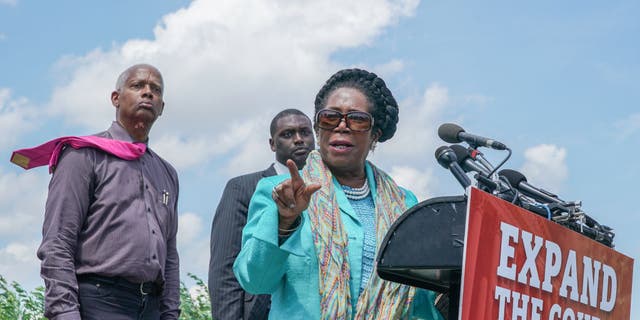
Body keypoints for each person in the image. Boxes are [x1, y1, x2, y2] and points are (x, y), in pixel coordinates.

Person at [233, 68, 444, 319]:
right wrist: (285, 222)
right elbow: (254, 281)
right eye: (330, 118)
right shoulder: (279, 192)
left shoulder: (405, 204)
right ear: (318, 128)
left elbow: (419, 300)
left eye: (357, 119)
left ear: (375, 135)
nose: (341, 127)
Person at [37, 64, 180, 319]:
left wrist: (170, 314)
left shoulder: (167, 173)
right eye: (137, 86)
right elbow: (58, 240)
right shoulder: (83, 155)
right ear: (116, 98)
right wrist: (65, 312)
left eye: (155, 90)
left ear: (162, 107)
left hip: (152, 308)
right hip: (98, 302)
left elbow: (170, 255)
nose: (147, 93)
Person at [208, 109, 314, 320]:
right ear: (272, 144)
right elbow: (225, 268)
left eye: (305, 132)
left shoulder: (327, 189)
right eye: (288, 134)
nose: (299, 140)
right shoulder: (243, 187)